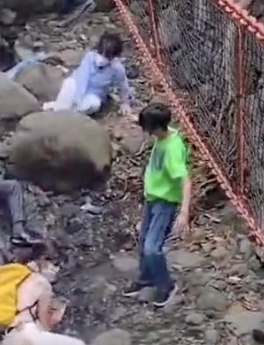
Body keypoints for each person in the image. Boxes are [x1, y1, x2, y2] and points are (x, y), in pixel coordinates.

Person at [123, 103, 190, 306]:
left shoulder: (172, 150)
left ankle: (167, 287)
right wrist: (134, 117)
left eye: (148, 129)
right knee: (144, 241)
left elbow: (186, 180)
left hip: (164, 202)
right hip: (152, 198)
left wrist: (184, 213)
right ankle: (145, 279)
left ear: (157, 128)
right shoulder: (165, 133)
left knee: (153, 247)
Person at [0, 259, 90, 345]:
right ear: (42, 268)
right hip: (27, 338)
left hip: (8, 341)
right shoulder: (42, 284)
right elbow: (43, 319)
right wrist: (52, 323)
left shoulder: (18, 283)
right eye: (52, 266)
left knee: (50, 344)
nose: (55, 270)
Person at [42, 32, 133, 116]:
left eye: (107, 55)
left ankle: (65, 113)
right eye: (100, 52)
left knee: (94, 104)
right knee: (69, 83)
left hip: (93, 95)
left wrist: (125, 103)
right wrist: (77, 98)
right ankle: (59, 110)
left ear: (114, 56)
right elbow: (82, 78)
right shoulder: (89, 57)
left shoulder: (117, 69)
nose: (102, 58)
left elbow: (123, 86)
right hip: (76, 88)